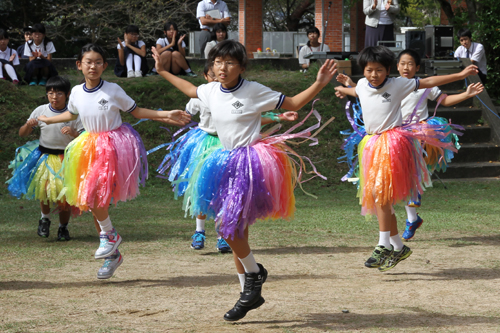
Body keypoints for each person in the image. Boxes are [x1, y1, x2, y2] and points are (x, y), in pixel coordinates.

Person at [152, 39, 337, 321]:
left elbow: (294, 102)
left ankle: (252, 277)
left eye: (229, 63)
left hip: (249, 164)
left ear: (241, 66)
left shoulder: (253, 91)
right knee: (229, 228)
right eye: (218, 62)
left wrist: (320, 82)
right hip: (224, 162)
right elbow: (190, 89)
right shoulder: (211, 90)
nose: (222, 68)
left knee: (229, 226)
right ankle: (253, 279)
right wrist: (162, 71)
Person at [37, 44, 191, 279]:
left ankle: (110, 237)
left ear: (104, 66)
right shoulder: (77, 92)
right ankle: (112, 253)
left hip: (113, 147)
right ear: (79, 65)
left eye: (98, 62)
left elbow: (137, 112)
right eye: (88, 61)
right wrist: (50, 119)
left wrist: (166, 114)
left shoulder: (113, 90)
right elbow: (73, 113)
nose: (93, 66)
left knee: (97, 196)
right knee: (91, 200)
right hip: (87, 147)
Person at [334, 46, 478, 272]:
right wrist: (343, 89)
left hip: (392, 144)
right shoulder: (361, 84)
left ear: (388, 70)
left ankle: (383, 244)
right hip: (371, 144)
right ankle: (399, 247)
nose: (374, 75)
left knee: (382, 195)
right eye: (370, 70)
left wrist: (460, 76)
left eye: (379, 70)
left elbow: (430, 82)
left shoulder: (398, 84)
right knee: (381, 199)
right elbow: (357, 92)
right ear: (363, 70)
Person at [157, 62, 298, 253]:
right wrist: (162, 116)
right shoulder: (202, 96)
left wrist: (277, 117)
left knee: (226, 193)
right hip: (205, 144)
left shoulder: (232, 94)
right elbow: (185, 114)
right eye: (212, 74)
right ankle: (199, 231)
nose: (217, 77)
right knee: (202, 189)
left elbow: (248, 116)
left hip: (226, 145)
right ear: (206, 76)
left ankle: (224, 234)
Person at [7, 76, 83, 241]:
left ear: (68, 94)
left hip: (66, 160)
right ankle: (45, 219)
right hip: (44, 158)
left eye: (59, 93)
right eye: (50, 93)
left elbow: (85, 138)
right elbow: (22, 133)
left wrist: (74, 133)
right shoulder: (40, 110)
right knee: (45, 192)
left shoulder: (74, 114)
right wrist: (28, 125)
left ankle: (63, 228)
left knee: (65, 197)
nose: (54, 97)